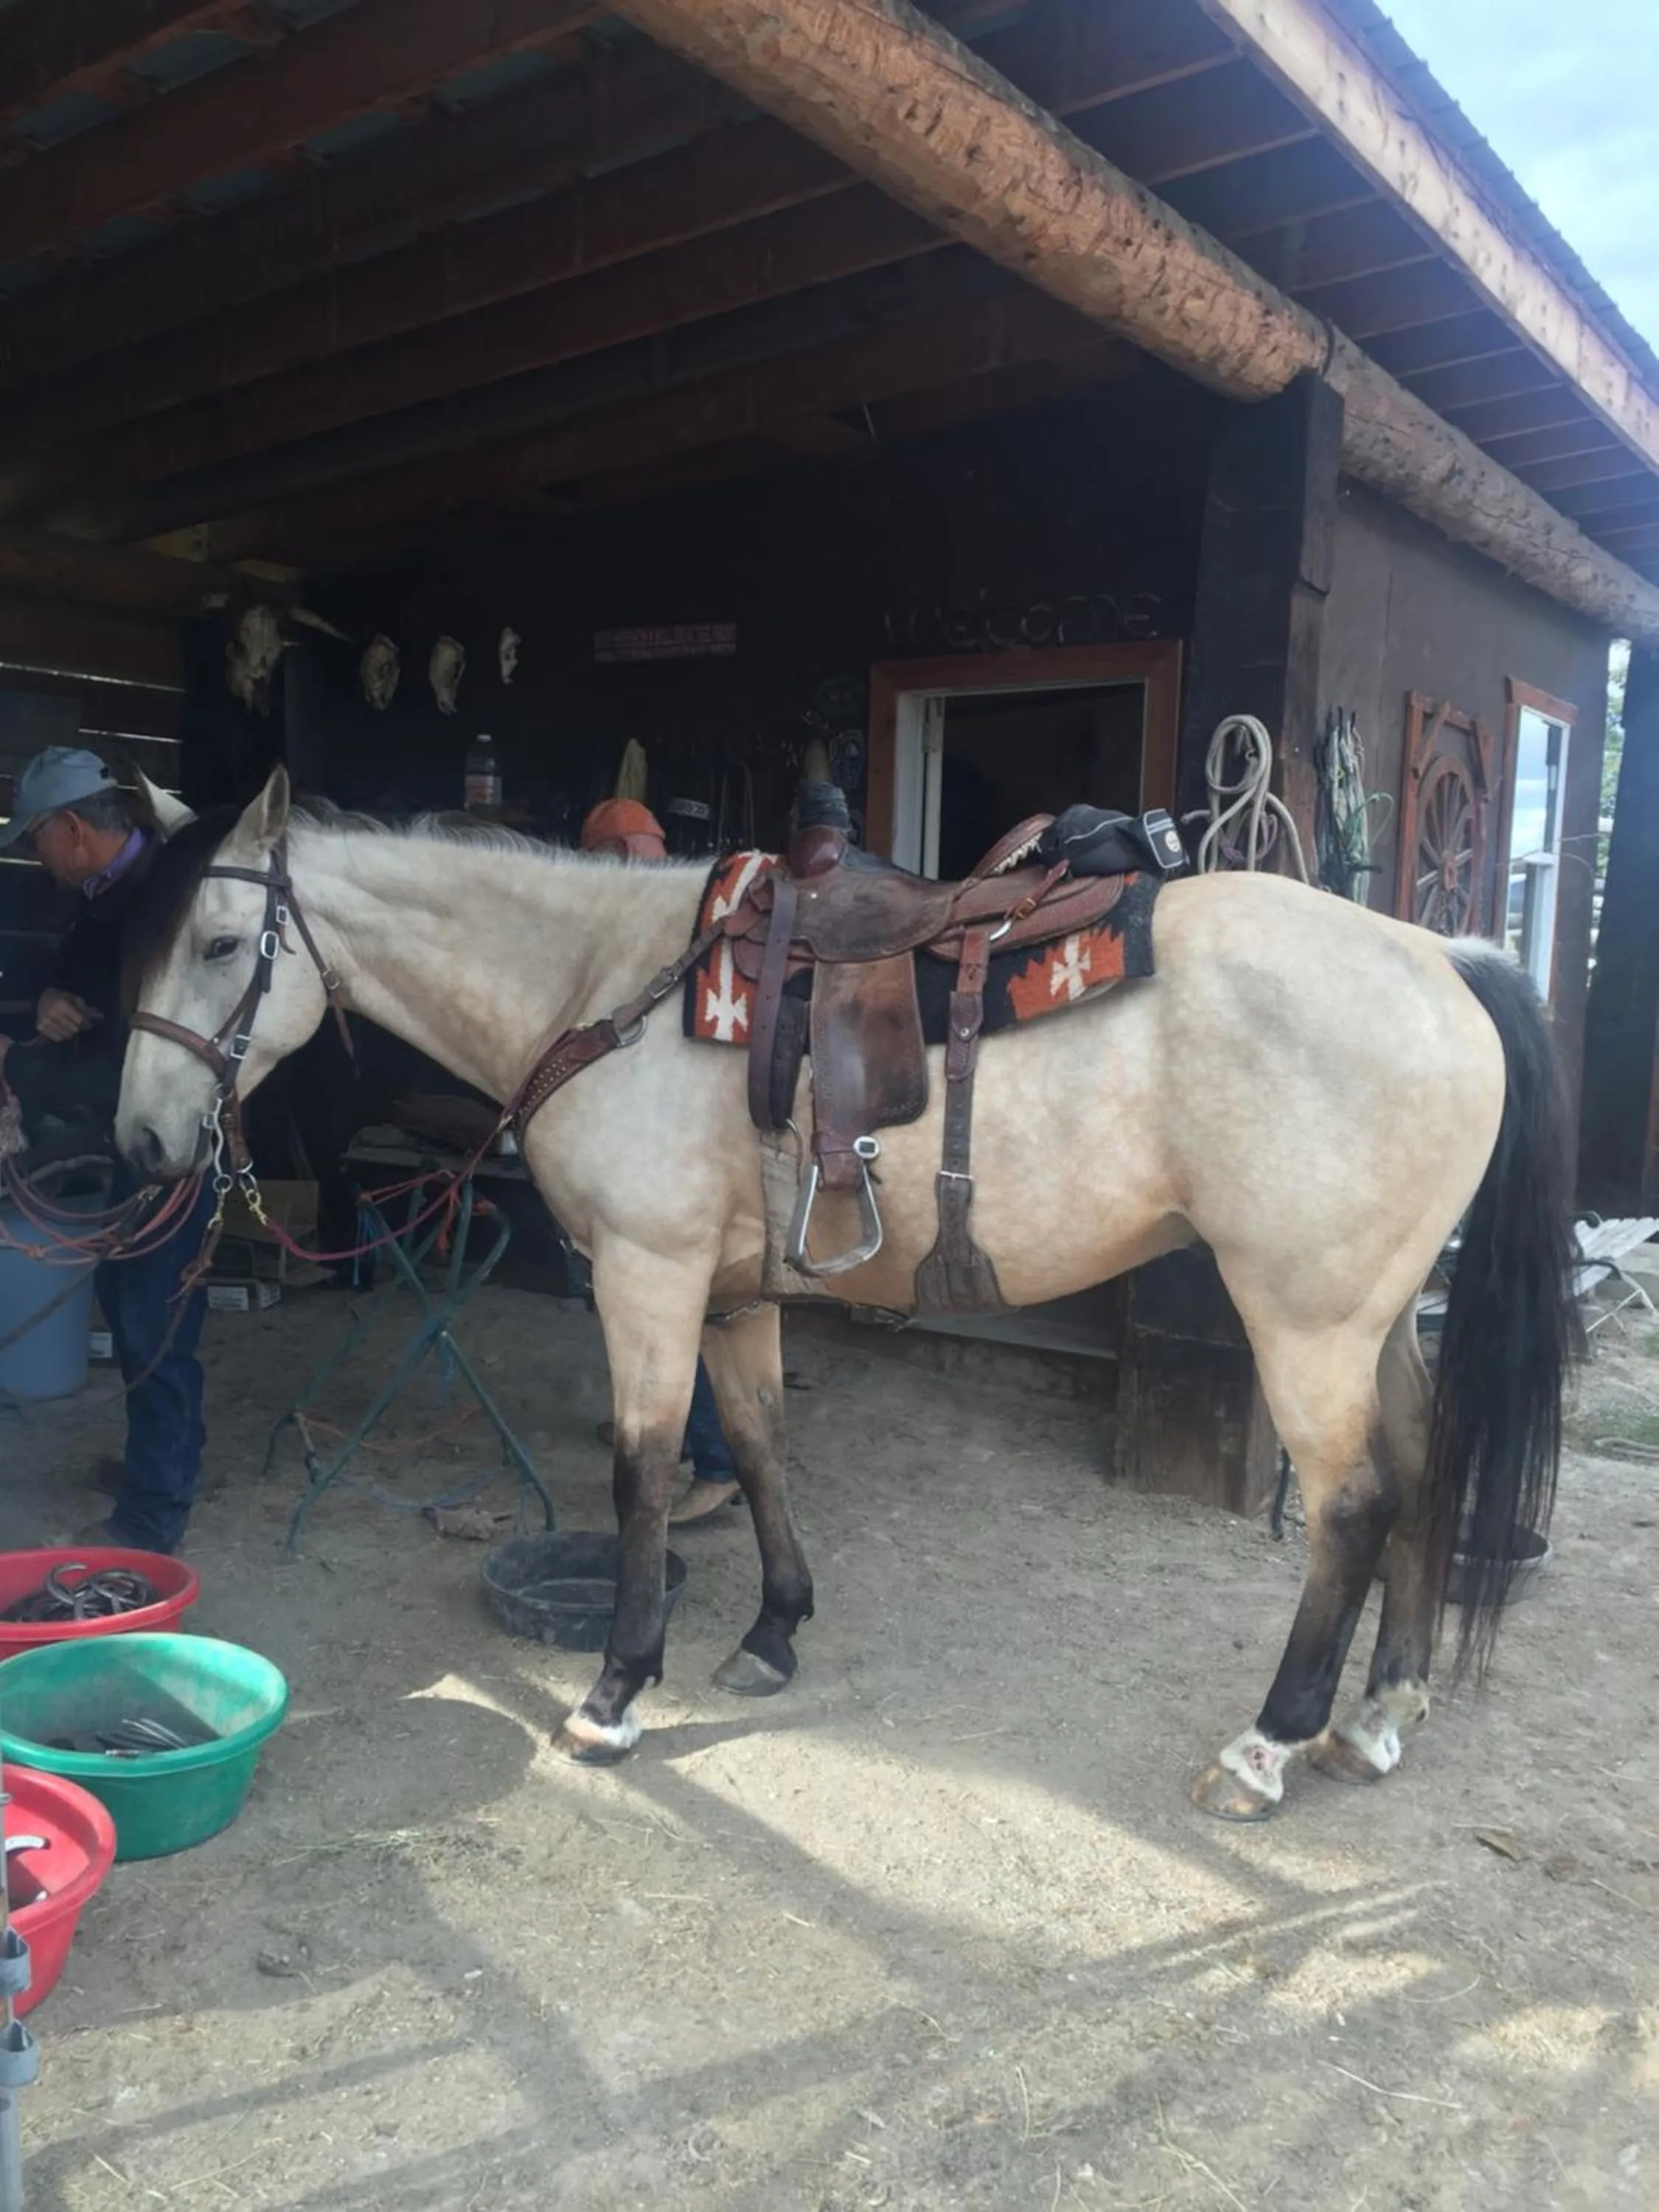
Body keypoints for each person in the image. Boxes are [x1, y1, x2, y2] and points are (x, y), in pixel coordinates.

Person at [0, 748, 216, 1555]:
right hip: (134, 1134)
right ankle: (156, 1466)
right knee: (136, 1308)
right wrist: (55, 1000)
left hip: (169, 1142)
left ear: (72, 828)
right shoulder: (104, 896)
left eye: (36, 839)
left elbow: (148, 1043)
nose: (33, 854)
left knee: (153, 1319)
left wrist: (14, 1061)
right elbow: (91, 1006)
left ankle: (152, 1515)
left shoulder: (162, 903)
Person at [580, 797, 741, 1525]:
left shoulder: (652, 921)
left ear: (610, 857)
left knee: (687, 1301)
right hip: (661, 1132)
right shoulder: (678, 908)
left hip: (678, 1143)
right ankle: (670, 1433)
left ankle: (715, 1461)